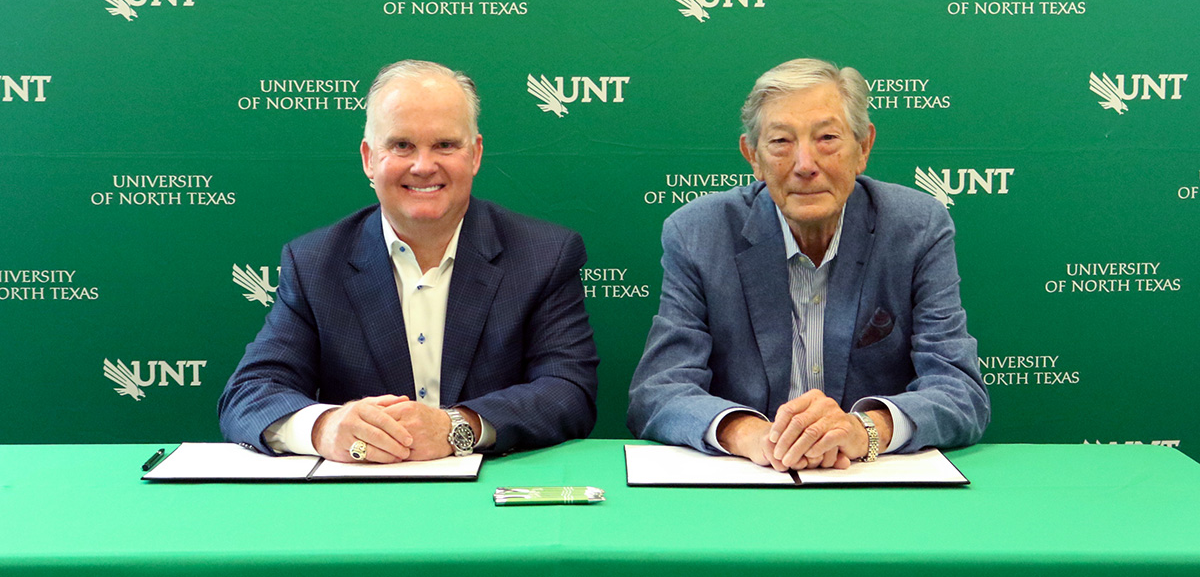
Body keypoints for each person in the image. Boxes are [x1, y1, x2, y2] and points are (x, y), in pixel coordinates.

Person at [219, 60, 599, 463]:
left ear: (475, 155)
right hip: (360, 503)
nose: (422, 166)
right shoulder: (314, 263)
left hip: (493, 500)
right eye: (401, 145)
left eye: (445, 145)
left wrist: (457, 427)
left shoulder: (543, 254)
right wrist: (324, 427)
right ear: (369, 158)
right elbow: (250, 392)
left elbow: (568, 390)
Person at [628, 58, 988, 471]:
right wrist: (751, 434)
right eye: (781, 141)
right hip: (750, 481)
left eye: (827, 138)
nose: (805, 164)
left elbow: (959, 391)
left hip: (869, 482)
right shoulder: (697, 233)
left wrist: (863, 431)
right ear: (753, 156)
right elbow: (658, 391)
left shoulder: (917, 227)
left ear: (864, 147)